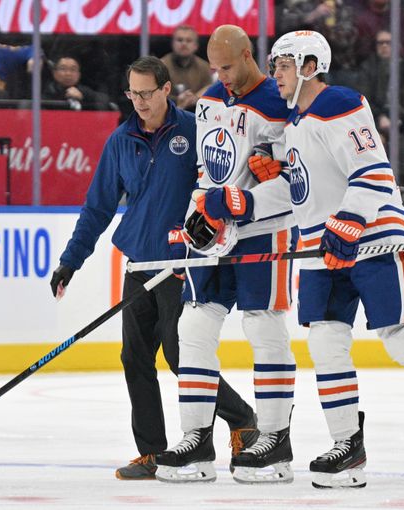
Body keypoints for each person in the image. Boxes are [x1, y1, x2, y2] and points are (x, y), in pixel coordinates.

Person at [270, 30, 404, 489]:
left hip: (372, 235)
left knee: (401, 335)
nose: (276, 75)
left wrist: (349, 221)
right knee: (325, 342)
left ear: (310, 66)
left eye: (283, 65)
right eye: (273, 65)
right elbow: (301, 195)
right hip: (318, 248)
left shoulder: (339, 102)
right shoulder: (292, 126)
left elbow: (373, 170)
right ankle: (348, 446)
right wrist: (248, 201)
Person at [49, 56, 257, 482]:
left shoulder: (194, 130)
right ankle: (152, 451)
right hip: (141, 262)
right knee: (135, 356)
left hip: (182, 264)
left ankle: (242, 418)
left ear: (165, 89)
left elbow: (224, 179)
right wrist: (71, 260)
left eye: (146, 93)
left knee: (181, 355)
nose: (139, 102)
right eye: (132, 93)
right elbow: (99, 207)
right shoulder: (121, 139)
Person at [154, 25, 297, 485]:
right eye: (215, 68)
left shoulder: (282, 102)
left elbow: (299, 177)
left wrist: (278, 174)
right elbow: (206, 169)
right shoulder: (211, 101)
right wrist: (198, 213)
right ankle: (196, 441)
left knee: (263, 325)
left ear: (250, 54)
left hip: (264, 231)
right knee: (193, 325)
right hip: (214, 231)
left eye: (229, 66)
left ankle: (275, 440)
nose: (222, 76)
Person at [159, 26, 213, 111]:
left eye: (188, 40)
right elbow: (156, 94)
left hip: (197, 112)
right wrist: (177, 100)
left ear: (196, 46)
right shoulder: (161, 66)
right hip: (167, 112)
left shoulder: (204, 66)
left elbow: (209, 89)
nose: (184, 43)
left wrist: (196, 98)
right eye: (180, 40)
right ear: (173, 44)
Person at [43, 55, 109, 110]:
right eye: (63, 69)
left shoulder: (84, 91)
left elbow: (104, 100)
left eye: (73, 69)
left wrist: (83, 98)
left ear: (78, 75)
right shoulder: (48, 91)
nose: (68, 73)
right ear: (55, 73)